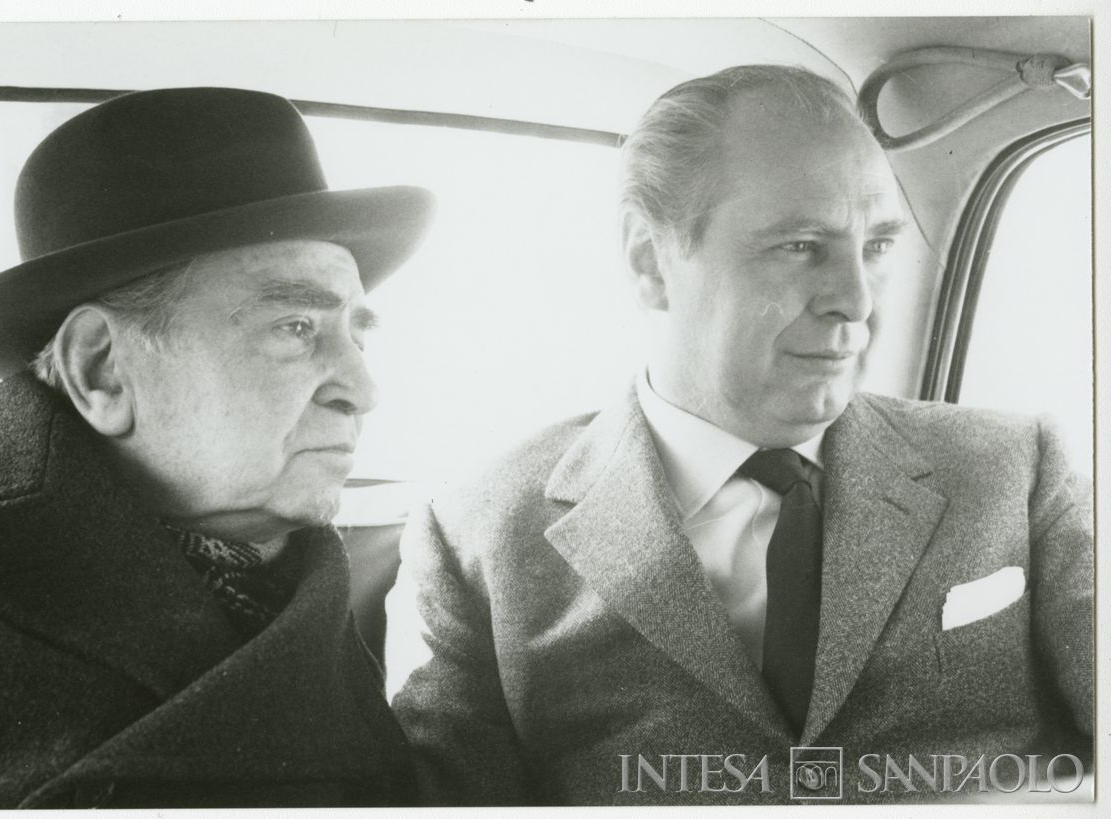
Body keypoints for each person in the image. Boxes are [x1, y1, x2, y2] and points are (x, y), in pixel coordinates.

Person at [384, 65, 1093, 806]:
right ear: (650, 262)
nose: (855, 300)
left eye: (878, 246)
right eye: (799, 246)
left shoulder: (1013, 468)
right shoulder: (480, 536)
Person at [0, 87, 434, 808]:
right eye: (295, 326)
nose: (362, 387)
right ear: (101, 368)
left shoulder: (301, 582)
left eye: (358, 330)